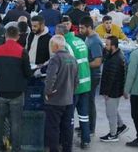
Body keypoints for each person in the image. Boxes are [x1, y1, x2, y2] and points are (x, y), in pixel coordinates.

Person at [0, 24, 32, 152]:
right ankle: (16, 148)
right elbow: (27, 72)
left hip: (1, 91)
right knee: (15, 122)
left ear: (5, 36)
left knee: (0, 121)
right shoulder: (22, 51)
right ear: (18, 36)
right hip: (17, 92)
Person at [44, 35, 79, 152]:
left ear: (56, 46)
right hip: (68, 100)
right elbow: (76, 80)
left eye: (51, 45)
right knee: (67, 127)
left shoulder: (55, 59)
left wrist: (48, 92)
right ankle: (67, 149)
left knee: (53, 128)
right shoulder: (72, 58)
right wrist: (70, 92)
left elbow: (50, 78)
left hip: (55, 100)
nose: (50, 47)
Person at [61, 20, 92, 148]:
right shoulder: (80, 41)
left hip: (75, 85)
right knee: (84, 114)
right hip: (86, 82)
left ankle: (67, 142)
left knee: (70, 116)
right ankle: (86, 140)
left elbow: (69, 65)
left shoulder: (67, 44)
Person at [99, 36, 128, 142]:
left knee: (110, 113)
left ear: (113, 46)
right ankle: (121, 126)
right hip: (115, 90)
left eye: (107, 45)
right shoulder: (114, 54)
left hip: (113, 91)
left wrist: (106, 92)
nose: (105, 46)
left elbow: (111, 78)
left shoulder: (116, 59)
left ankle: (113, 135)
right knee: (113, 110)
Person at [78, 16, 103, 139]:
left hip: (93, 76)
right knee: (85, 101)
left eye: (82, 28)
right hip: (87, 74)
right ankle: (85, 125)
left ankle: (91, 128)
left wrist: (83, 64)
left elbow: (98, 62)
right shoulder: (88, 38)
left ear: (89, 27)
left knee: (90, 101)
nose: (80, 30)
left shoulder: (95, 41)